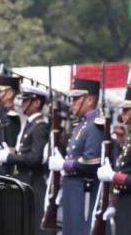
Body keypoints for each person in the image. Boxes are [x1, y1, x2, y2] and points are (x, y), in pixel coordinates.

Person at [48, 77, 104, 235]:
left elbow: (91, 161)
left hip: (84, 193)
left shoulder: (95, 125)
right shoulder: (81, 124)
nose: (71, 103)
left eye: (75, 99)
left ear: (90, 100)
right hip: (73, 190)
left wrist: (64, 165)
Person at [0, 85, 50, 234]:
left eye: (26, 101)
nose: (22, 104)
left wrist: (10, 157)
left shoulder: (40, 126)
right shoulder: (30, 124)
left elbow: (35, 157)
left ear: (37, 103)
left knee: (32, 227)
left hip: (33, 182)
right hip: (24, 181)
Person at [97, 84, 131, 233]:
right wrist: (113, 202)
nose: (122, 113)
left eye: (127, 110)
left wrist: (113, 176)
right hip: (124, 204)